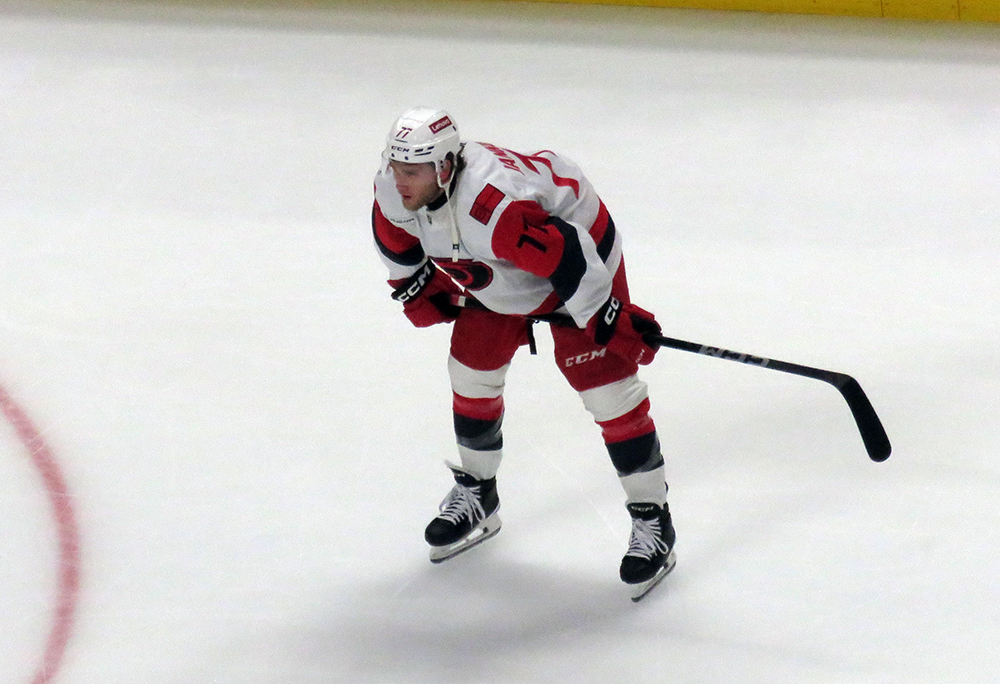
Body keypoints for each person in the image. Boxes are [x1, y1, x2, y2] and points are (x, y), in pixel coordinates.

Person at [371, 106, 676, 596]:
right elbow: (391, 232)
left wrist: (607, 319)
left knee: (606, 388)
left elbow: (569, 254)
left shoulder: (490, 208)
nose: (400, 180)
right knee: (470, 368)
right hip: (501, 255)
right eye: (396, 166)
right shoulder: (398, 188)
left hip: (576, 246)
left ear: (445, 167)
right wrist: (411, 284)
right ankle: (478, 492)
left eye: (413, 170)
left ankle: (652, 517)